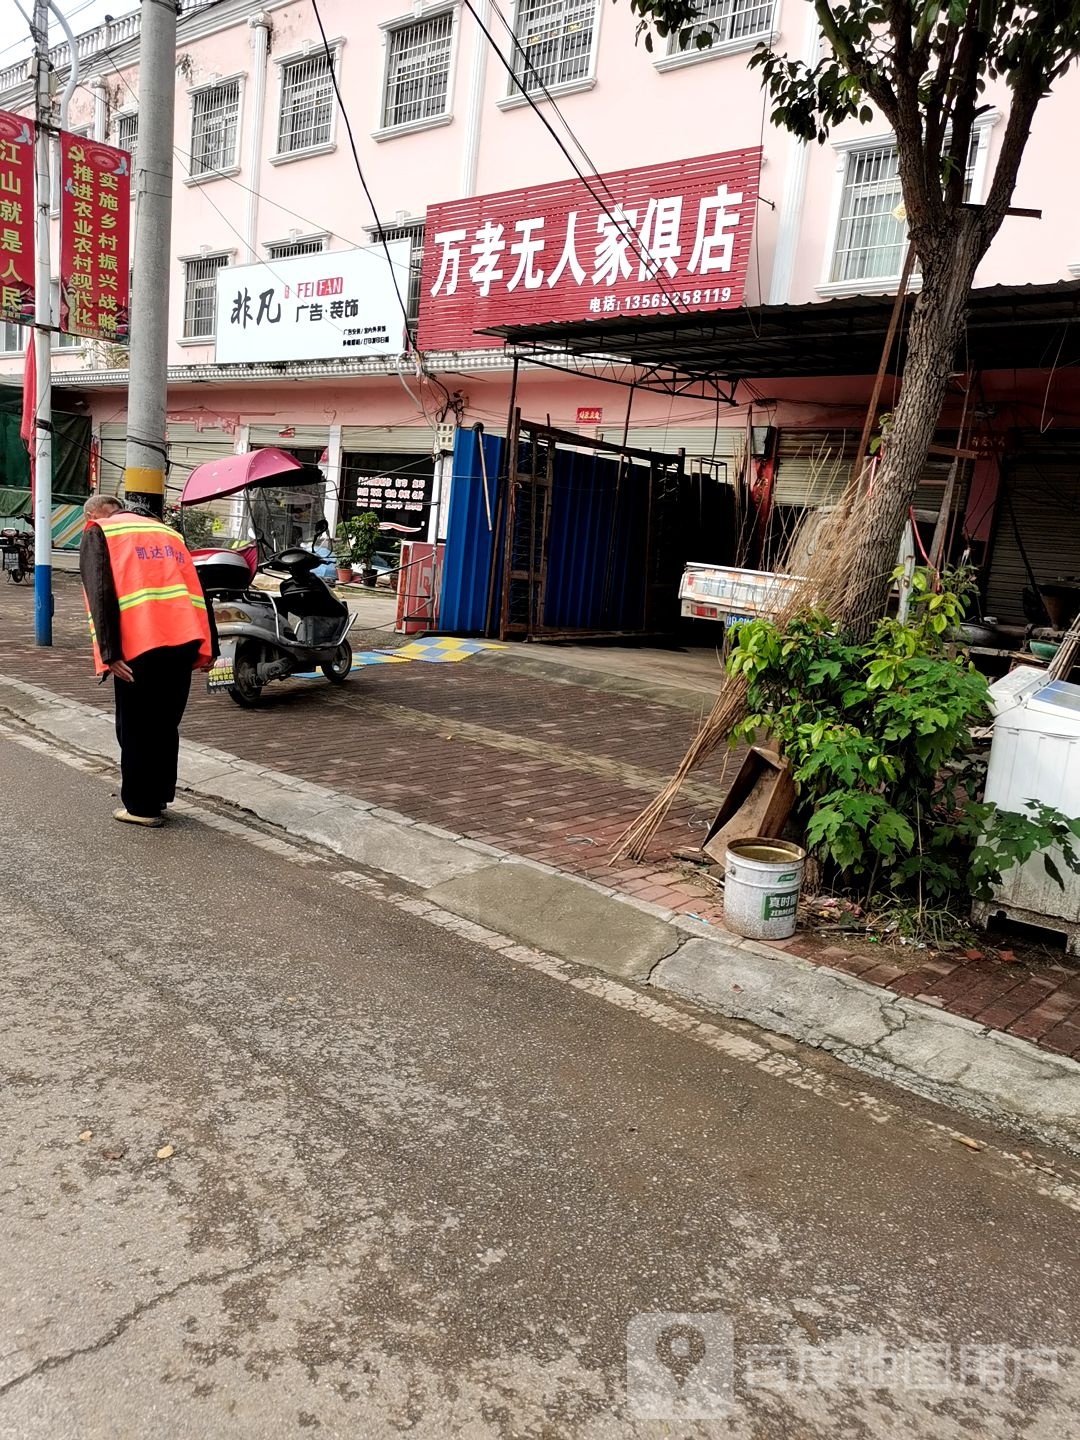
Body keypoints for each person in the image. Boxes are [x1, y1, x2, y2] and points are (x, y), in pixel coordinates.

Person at [80, 494, 217, 828]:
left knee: (137, 728)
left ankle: (141, 808)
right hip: (183, 642)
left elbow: (100, 591)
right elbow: (198, 588)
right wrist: (208, 644)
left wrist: (110, 652)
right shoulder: (167, 533)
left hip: (140, 646)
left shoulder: (101, 532)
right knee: (164, 725)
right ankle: (158, 797)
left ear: (95, 514)